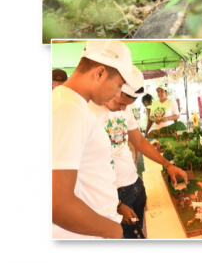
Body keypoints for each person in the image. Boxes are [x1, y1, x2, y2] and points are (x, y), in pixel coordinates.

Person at [89, 67, 188, 238]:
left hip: (134, 184)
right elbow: (85, 169)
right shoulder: (86, 112)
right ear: (113, 88)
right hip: (113, 194)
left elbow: (140, 141)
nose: (122, 109)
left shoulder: (124, 108)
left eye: (126, 106)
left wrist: (167, 164)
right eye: (120, 103)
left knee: (139, 232)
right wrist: (117, 203)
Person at [52, 40, 136, 239]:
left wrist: (115, 208)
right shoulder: (68, 109)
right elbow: (56, 203)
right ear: (99, 73)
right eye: (118, 85)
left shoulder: (75, 106)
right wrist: (111, 230)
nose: (117, 93)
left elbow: (91, 174)